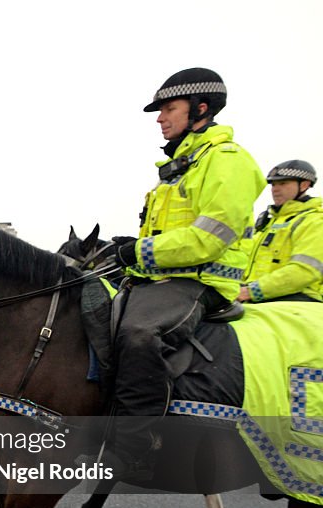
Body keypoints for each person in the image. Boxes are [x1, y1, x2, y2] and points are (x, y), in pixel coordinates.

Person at [107, 67, 265, 479]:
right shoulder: (182, 165)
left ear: (200, 108)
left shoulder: (227, 160)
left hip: (201, 282)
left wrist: (139, 249)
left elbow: (207, 239)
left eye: (168, 108)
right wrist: (126, 250)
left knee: (139, 333)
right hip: (163, 278)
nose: (160, 118)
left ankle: (135, 443)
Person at [238, 160, 323, 303]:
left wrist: (251, 291)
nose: (275, 189)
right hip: (261, 298)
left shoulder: (315, 221)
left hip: (299, 301)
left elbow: (304, 272)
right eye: (273, 184)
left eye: (283, 184)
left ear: (304, 185)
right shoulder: (269, 223)